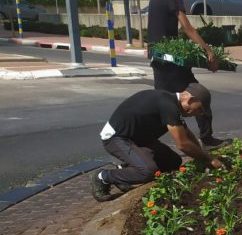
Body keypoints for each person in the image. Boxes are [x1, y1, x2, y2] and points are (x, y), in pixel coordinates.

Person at [90, 84, 227, 202]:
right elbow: (183, 144)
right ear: (191, 100)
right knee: (148, 171)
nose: (199, 113)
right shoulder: (168, 105)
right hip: (116, 138)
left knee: (173, 162)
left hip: (139, 139)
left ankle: (125, 172)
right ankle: (103, 177)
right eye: (200, 109)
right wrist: (209, 159)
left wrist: (204, 157)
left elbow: (188, 135)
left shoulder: (172, 103)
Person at [147, 0, 225, 150]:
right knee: (199, 96)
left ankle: (145, 142)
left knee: (163, 104)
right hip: (171, 59)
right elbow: (187, 28)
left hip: (158, 57)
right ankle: (206, 139)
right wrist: (208, 50)